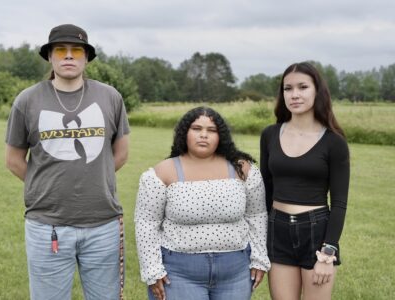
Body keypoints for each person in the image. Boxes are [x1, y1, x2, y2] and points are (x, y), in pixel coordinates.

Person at [5, 24, 130, 300]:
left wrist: (93, 175)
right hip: (46, 226)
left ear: (86, 58)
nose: (69, 56)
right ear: (50, 56)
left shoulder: (110, 97)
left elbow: (119, 154)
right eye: (61, 50)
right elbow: (14, 160)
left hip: (103, 225)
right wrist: (45, 183)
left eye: (77, 51)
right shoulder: (27, 100)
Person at [135, 106, 270, 300]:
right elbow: (146, 224)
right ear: (185, 133)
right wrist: (152, 269)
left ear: (221, 136)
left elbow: (257, 215)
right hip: (178, 273)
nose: (204, 135)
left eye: (211, 130)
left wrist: (259, 258)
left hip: (236, 272)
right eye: (197, 129)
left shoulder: (242, 169)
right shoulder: (162, 172)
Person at [260, 62, 350, 300]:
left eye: (302, 87)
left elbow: (339, 203)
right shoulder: (269, 135)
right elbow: (265, 190)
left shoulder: (334, 143)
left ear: (317, 91)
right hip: (277, 230)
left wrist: (327, 253)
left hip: (316, 233)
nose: (294, 94)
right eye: (287, 88)